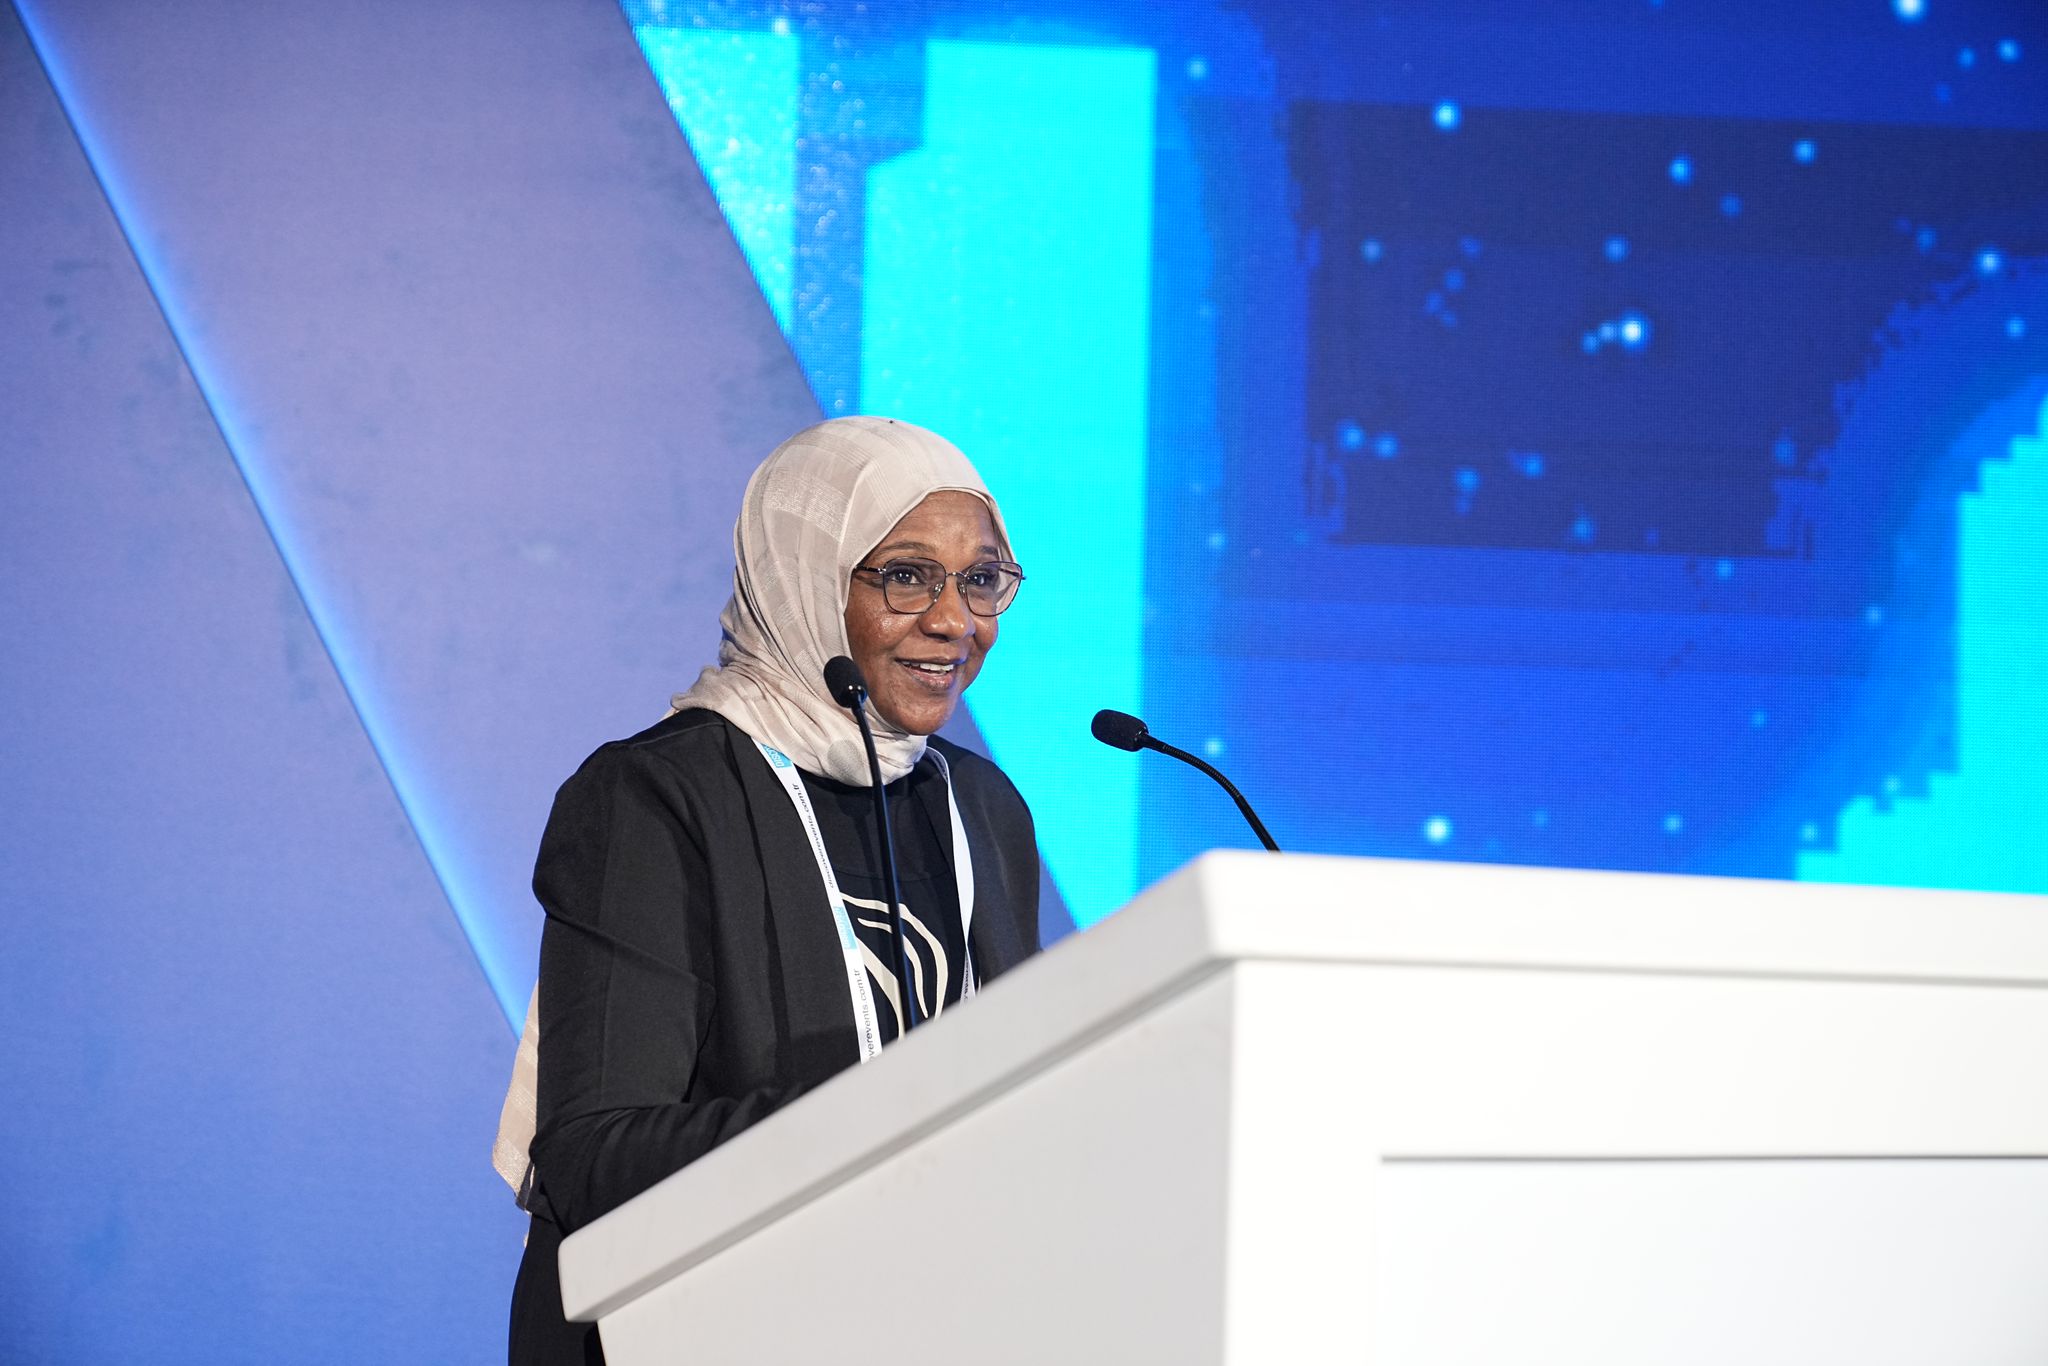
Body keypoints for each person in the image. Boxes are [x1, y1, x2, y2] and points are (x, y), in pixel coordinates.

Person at [497, 416, 1042, 1364]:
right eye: (906, 576)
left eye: (982, 579)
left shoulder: (981, 808)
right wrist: (881, 1118)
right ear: (804, 578)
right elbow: (595, 1155)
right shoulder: (654, 798)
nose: (955, 621)